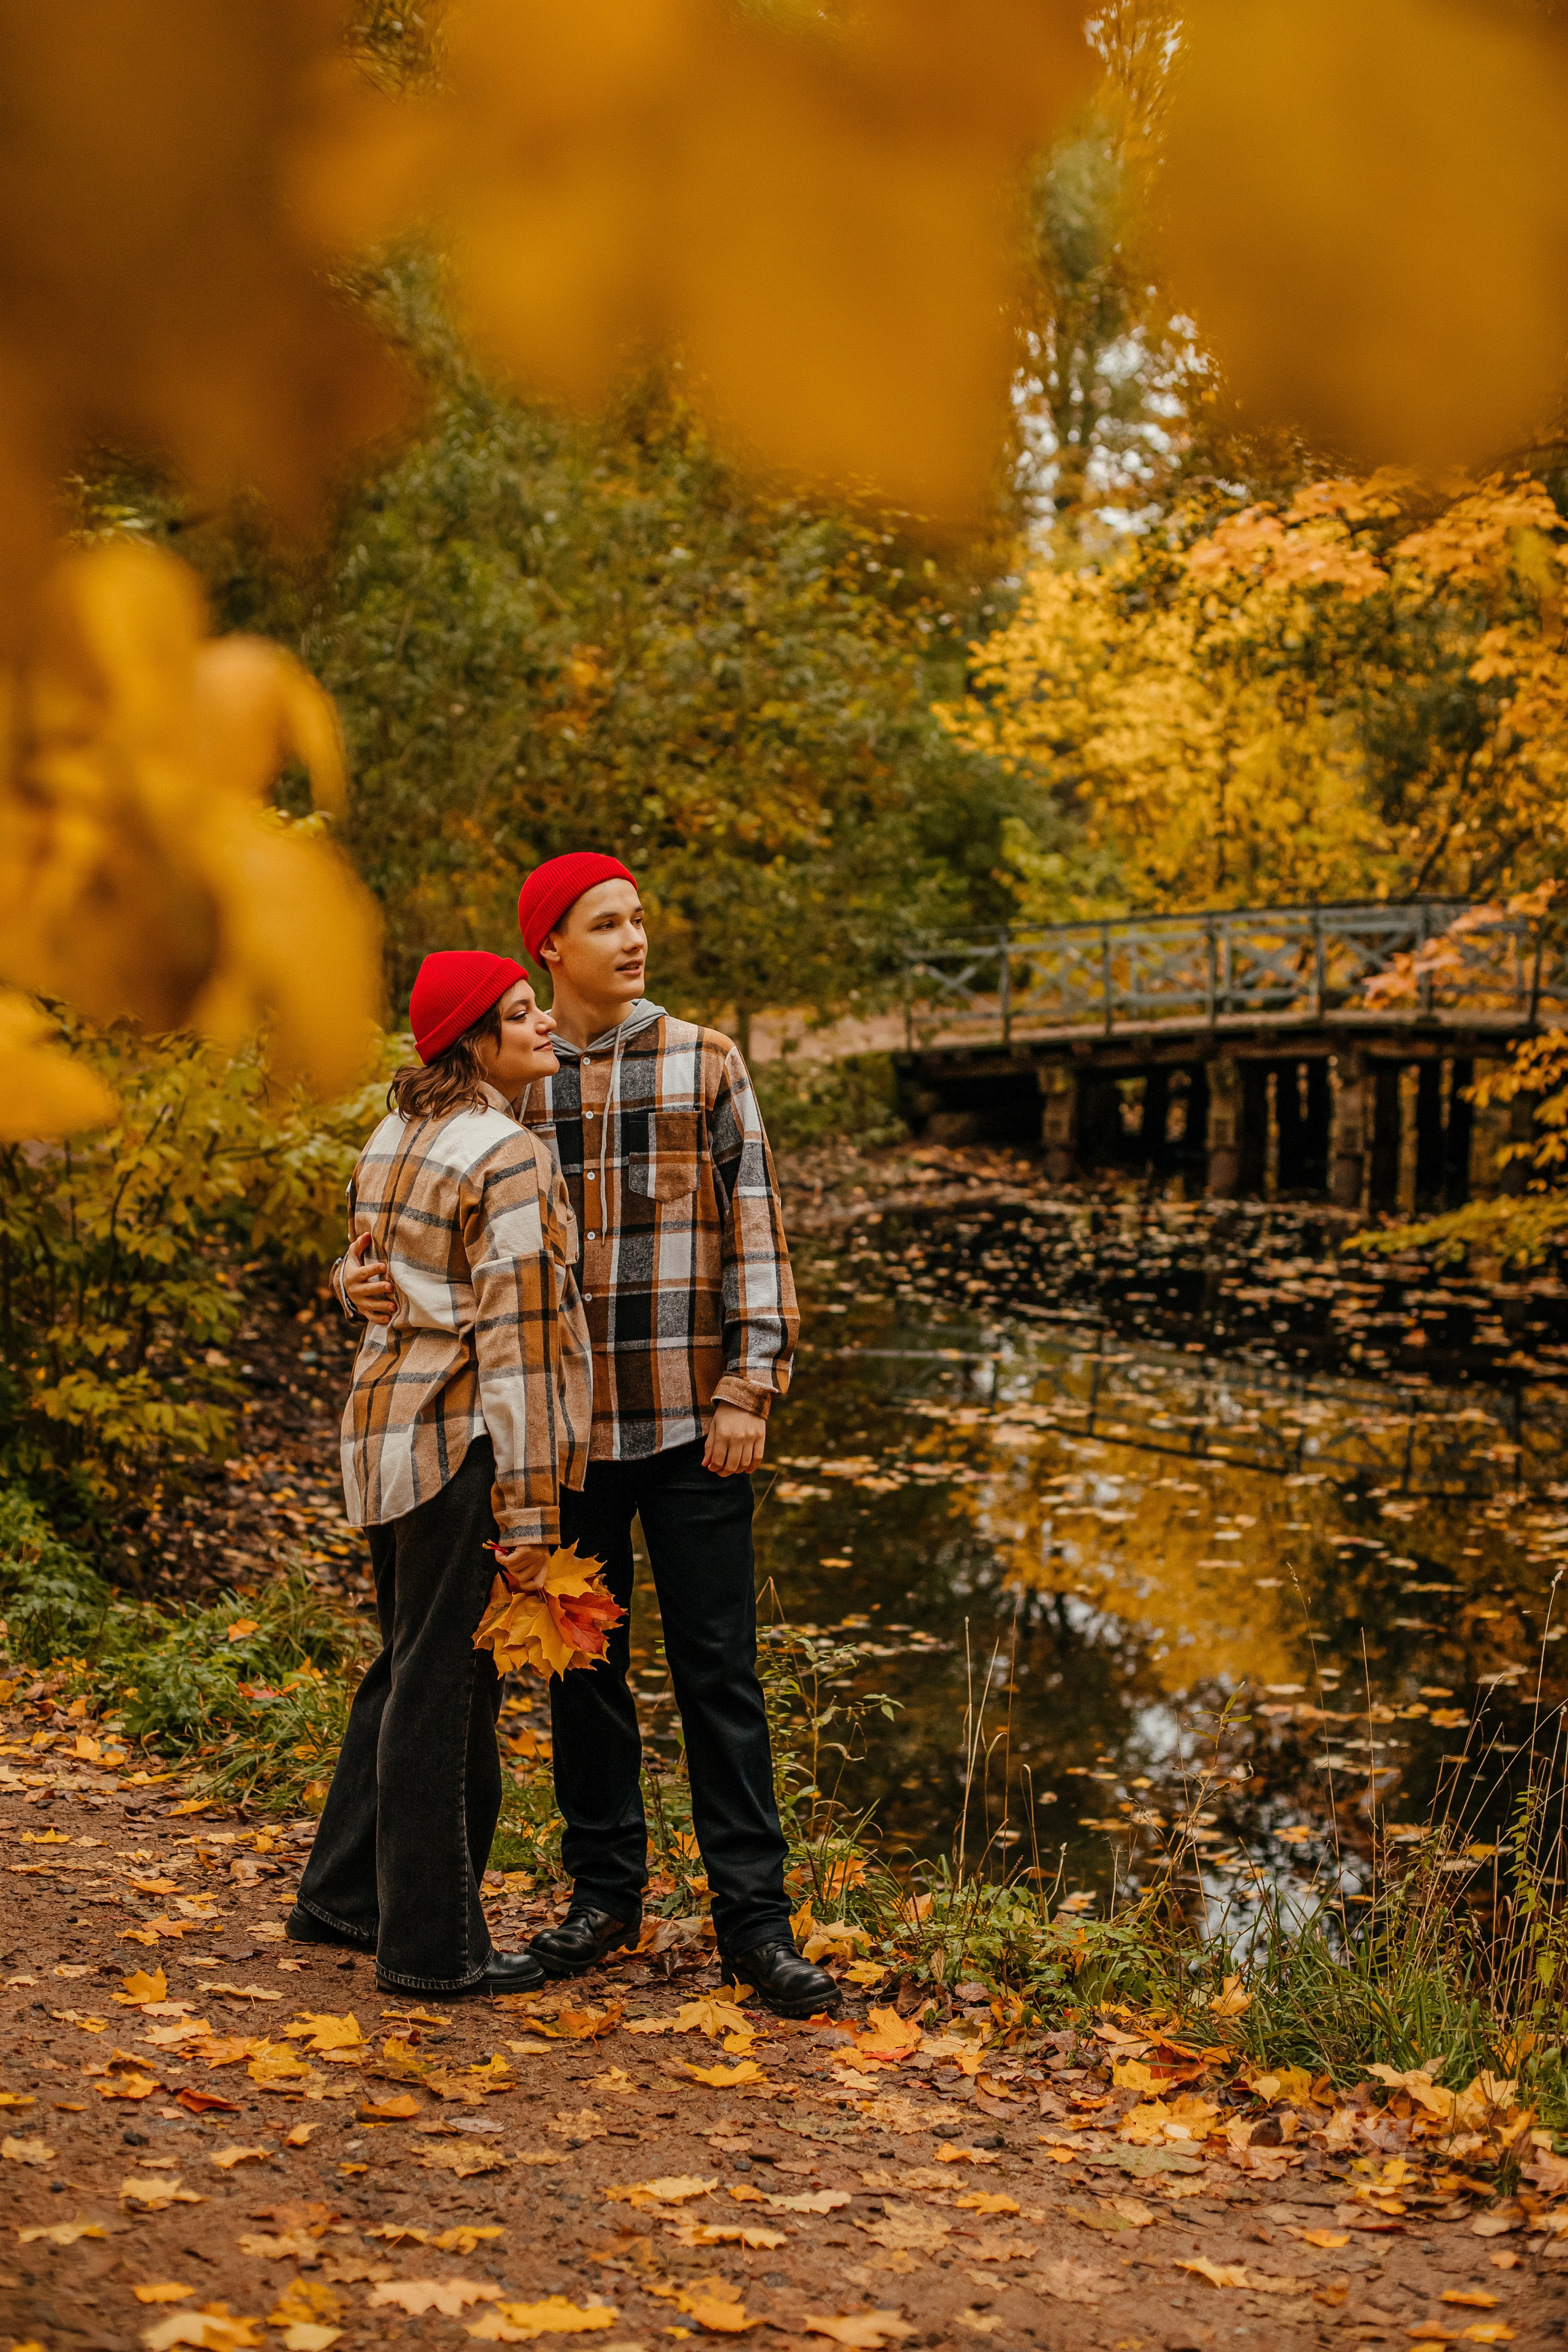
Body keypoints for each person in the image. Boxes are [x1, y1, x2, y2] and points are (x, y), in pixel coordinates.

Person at [344, 855, 839, 2018]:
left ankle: (754, 1925)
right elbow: (409, 1206)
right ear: (550, 949)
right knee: (582, 1676)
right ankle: (604, 1900)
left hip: (693, 1424)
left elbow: (756, 1227)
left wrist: (750, 1388)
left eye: (638, 920)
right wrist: (351, 1279)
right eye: (605, 924)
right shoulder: (513, 1077)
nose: (633, 940)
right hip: (565, 1441)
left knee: (721, 1674)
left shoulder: (705, 1062)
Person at [293, 951, 591, 1998]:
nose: (544, 1024)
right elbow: (518, 1344)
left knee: (407, 1667)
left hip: (384, 1432)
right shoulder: (506, 1155)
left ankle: (342, 1896)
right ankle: (433, 1949)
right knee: (444, 1691)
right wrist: (532, 1513)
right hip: (461, 1440)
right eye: (521, 1013)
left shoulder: (396, 1132)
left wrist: (350, 1283)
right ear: (474, 1041)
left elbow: (371, 1270)